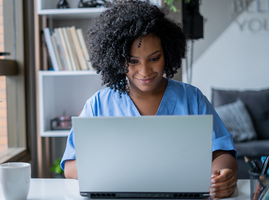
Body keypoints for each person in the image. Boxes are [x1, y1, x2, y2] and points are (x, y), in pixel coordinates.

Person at [61, 0, 238, 199]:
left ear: (168, 54)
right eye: (133, 61)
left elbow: (222, 152)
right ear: (116, 60)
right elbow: (70, 166)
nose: (145, 71)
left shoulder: (192, 98)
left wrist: (223, 174)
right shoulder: (97, 105)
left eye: (154, 58)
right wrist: (126, 169)